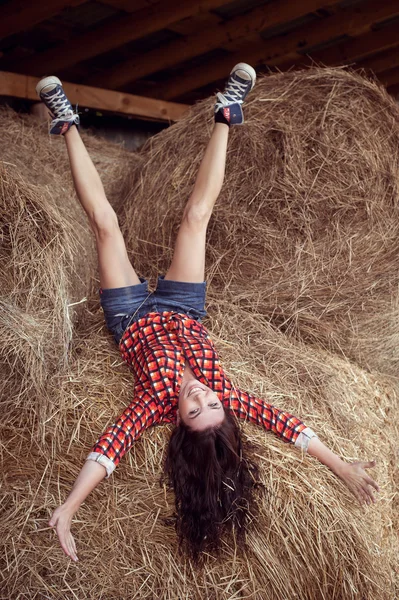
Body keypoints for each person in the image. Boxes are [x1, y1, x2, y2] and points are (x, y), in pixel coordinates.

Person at [36, 64, 379, 564]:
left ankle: (65, 121)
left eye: (193, 411)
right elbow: (289, 426)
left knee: (106, 225)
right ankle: (226, 113)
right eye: (211, 405)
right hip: (183, 307)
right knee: (196, 217)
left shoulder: (151, 406)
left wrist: (68, 507)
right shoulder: (229, 395)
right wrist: (340, 465)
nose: (200, 397)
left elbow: (107, 453)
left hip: (130, 317)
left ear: (177, 421)